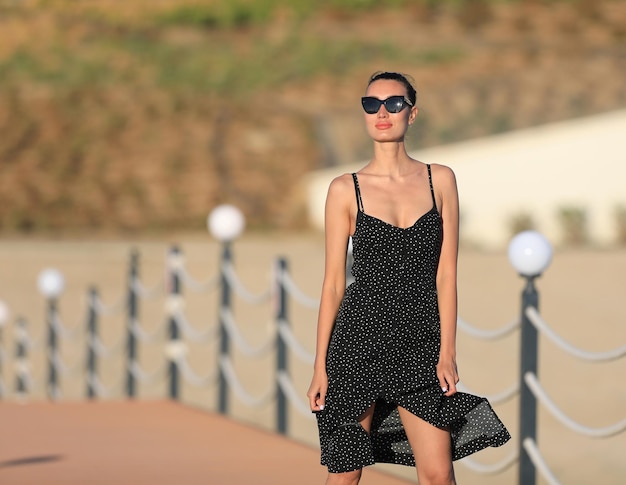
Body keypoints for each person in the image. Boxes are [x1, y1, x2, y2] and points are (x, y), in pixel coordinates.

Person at [306, 71, 511, 485]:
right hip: (356, 344)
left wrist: (447, 352)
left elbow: (447, 275)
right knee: (345, 475)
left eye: (394, 104)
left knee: (438, 476)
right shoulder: (345, 189)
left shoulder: (441, 180)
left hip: (420, 344)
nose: (382, 113)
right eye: (371, 105)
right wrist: (319, 366)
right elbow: (332, 284)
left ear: (411, 113)